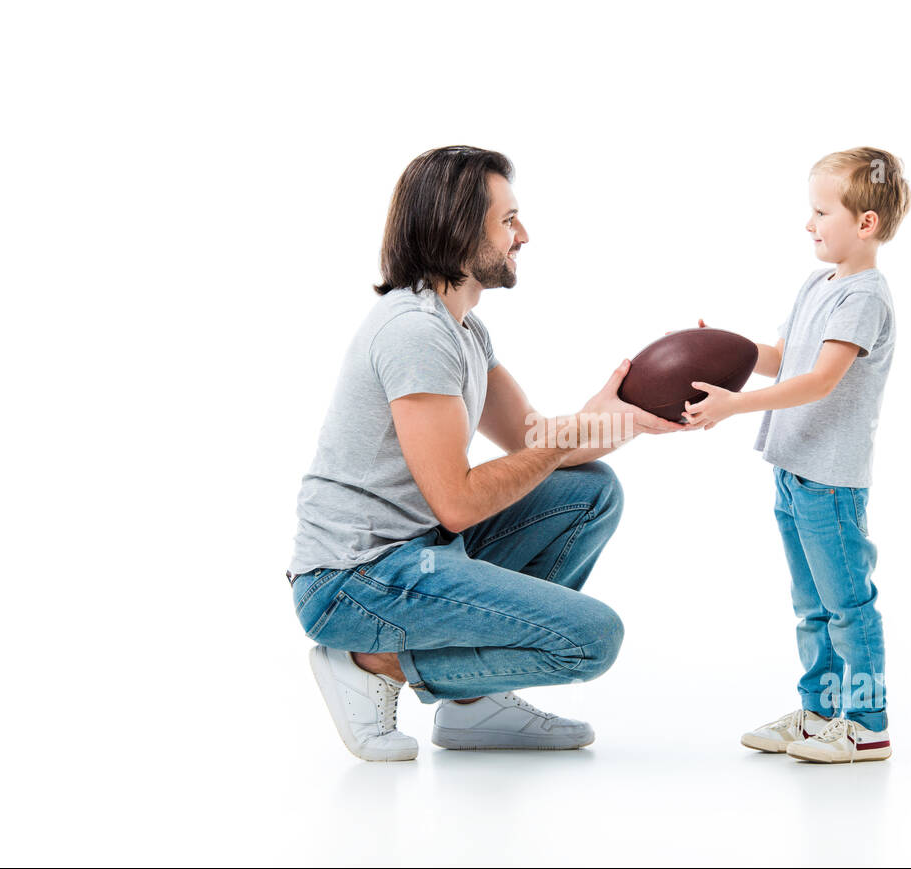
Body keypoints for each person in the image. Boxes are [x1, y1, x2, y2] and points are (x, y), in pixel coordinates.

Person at [286, 146, 690, 761]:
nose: (522, 235)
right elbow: (457, 503)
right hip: (354, 579)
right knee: (590, 640)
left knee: (589, 491)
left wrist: (635, 410)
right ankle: (371, 662)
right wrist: (561, 441)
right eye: (508, 221)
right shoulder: (415, 331)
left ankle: (475, 706)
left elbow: (534, 441)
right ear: (454, 228)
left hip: (417, 556)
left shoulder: (465, 329)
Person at [681, 147, 911, 763]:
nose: (808, 224)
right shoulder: (819, 283)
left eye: (820, 211)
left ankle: (867, 725)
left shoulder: (864, 297)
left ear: (865, 223)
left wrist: (734, 405)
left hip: (831, 482)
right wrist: (722, 347)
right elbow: (785, 359)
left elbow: (819, 381)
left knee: (847, 606)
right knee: (811, 608)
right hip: (794, 471)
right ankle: (817, 717)